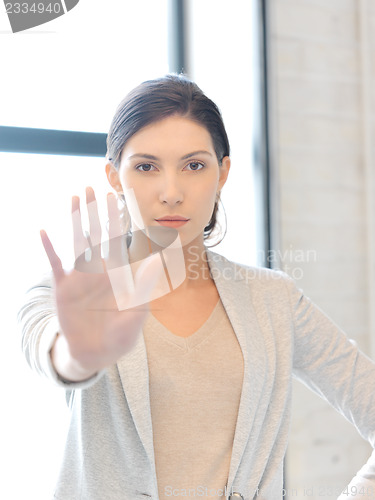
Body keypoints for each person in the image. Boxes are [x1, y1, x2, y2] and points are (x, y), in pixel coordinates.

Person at [18, 74, 375, 500]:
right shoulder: (71, 293)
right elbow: (52, 351)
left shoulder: (273, 299)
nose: (171, 193)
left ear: (222, 172)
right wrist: (79, 355)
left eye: (194, 165)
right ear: (115, 177)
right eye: (146, 167)